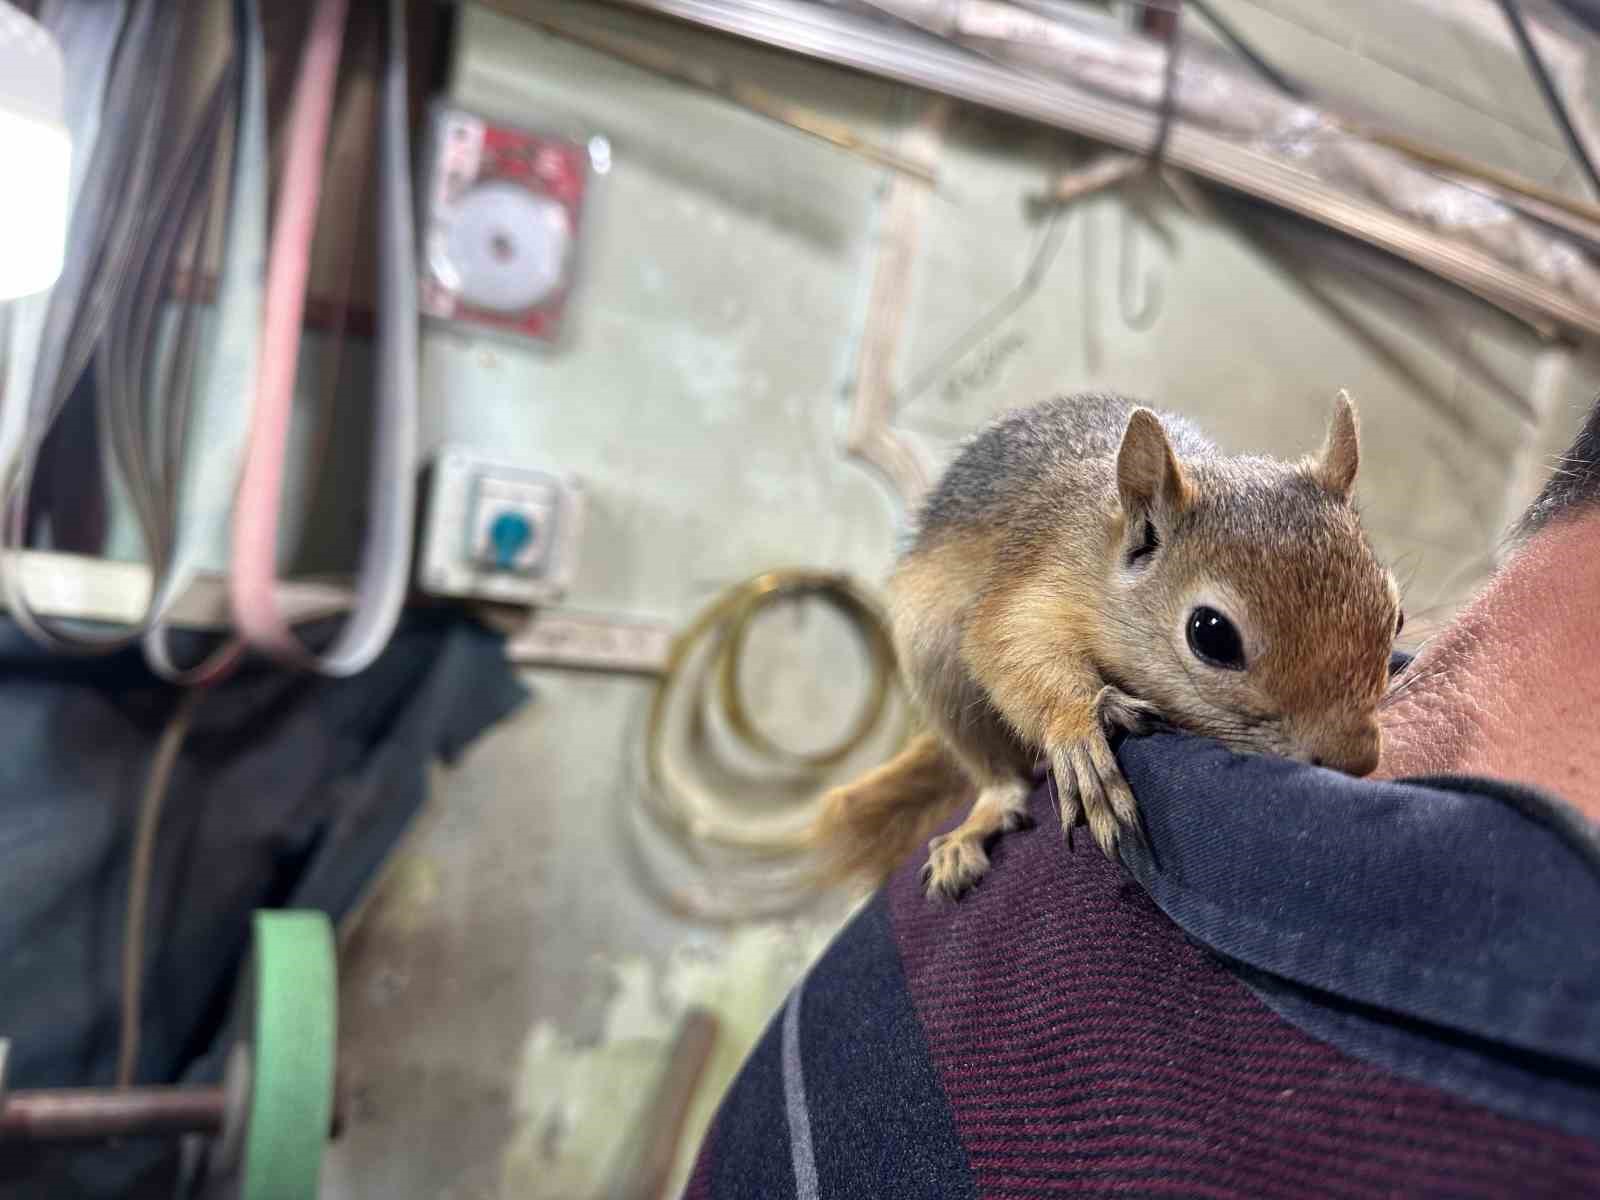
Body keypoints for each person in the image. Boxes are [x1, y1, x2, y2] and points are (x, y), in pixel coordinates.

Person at [683, 399, 1600, 1198]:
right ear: (1145, 540)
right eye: (1215, 636)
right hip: (987, 614)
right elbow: (1006, 631)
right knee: (932, 634)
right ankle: (992, 786)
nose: (1353, 755)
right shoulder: (1097, 567)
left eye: (1388, 623)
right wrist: (1065, 723)